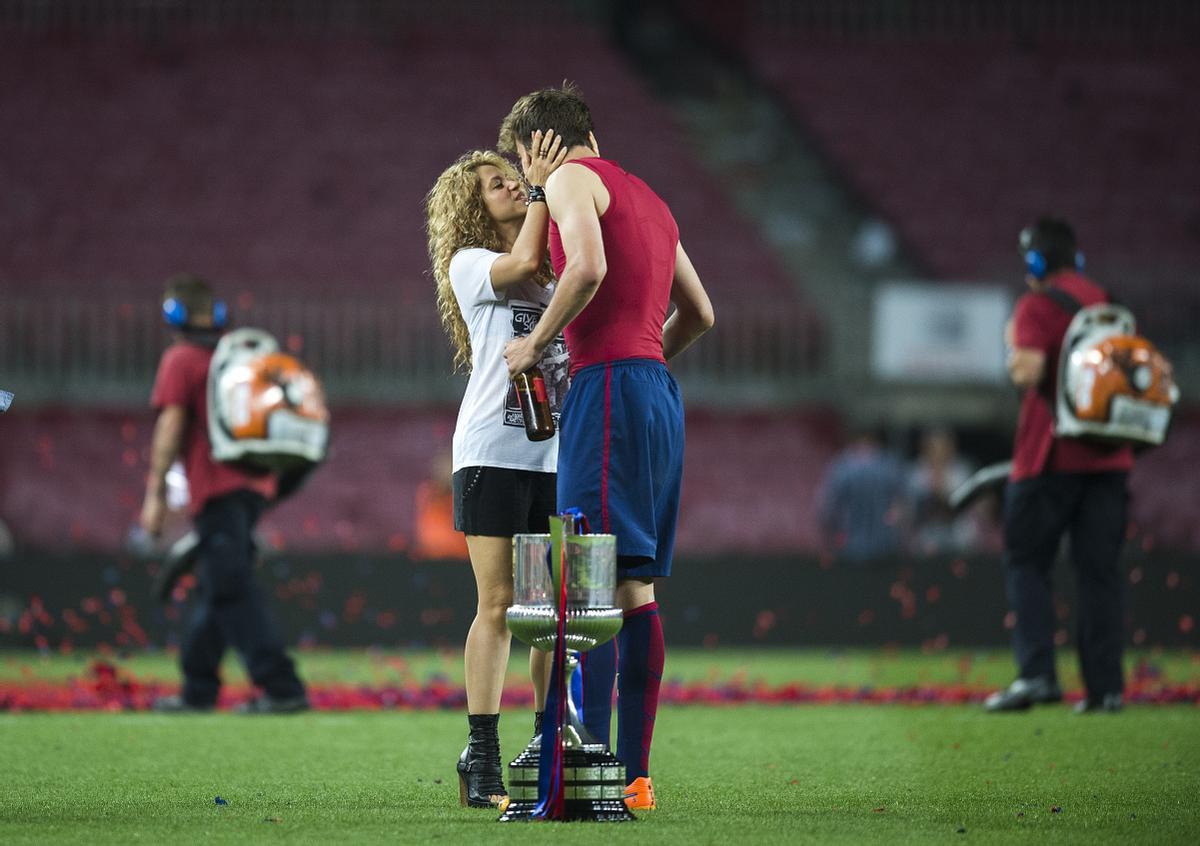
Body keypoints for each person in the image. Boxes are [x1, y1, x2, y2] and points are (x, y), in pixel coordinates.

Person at [500, 83, 715, 811]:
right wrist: (645, 363)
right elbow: (703, 312)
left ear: (538, 144)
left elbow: (586, 267)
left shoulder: (566, 180)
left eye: (520, 158)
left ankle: (585, 779)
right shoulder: (651, 199)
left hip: (612, 386)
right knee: (634, 586)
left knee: (581, 581)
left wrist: (536, 343)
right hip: (655, 390)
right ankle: (633, 778)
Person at [424, 135, 569, 808]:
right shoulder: (473, 262)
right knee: (498, 603)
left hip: (552, 456)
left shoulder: (558, 263)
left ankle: (547, 741)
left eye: (511, 176)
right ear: (472, 208)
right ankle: (481, 750)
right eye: (494, 183)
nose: (510, 185)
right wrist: (544, 190)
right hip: (491, 453)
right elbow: (528, 259)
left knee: (549, 611)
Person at [140, 273, 308, 714]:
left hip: (218, 489)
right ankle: (198, 689)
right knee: (218, 584)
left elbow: (171, 426)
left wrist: (155, 493)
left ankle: (281, 686)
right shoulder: (237, 357)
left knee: (230, 586)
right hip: (255, 486)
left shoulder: (181, 359)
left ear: (172, 314)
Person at [985, 217, 1133, 714]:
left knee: (1028, 563)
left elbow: (1027, 371)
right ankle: (1105, 689)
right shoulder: (1103, 299)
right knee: (1099, 573)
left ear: (1035, 262)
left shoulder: (1036, 304)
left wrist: (1013, 343)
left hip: (1049, 457)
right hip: (1109, 456)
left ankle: (1037, 676)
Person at [815, 426, 907, 564]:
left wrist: (830, 540)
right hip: (885, 547)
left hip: (849, 547)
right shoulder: (888, 465)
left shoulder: (842, 467)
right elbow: (902, 508)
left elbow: (826, 510)